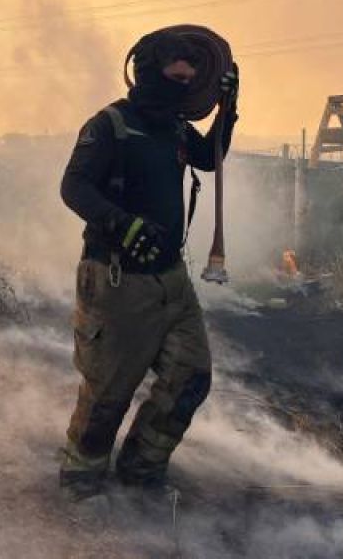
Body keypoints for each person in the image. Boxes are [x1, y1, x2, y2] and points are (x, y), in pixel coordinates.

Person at [57, 28, 239, 501]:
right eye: (175, 76)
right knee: (108, 390)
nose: (184, 86)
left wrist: (228, 109)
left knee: (191, 376)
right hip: (117, 278)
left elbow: (208, 158)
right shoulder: (110, 124)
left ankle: (140, 470)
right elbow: (73, 187)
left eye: (190, 80)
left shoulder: (176, 127)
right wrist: (123, 225)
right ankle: (83, 478)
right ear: (147, 73)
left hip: (171, 280)